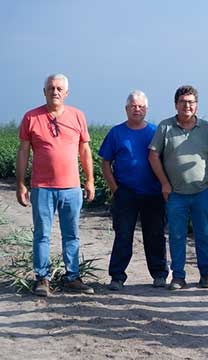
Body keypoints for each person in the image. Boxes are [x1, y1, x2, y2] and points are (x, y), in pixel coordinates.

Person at [16, 73, 95, 296]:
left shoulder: (77, 116)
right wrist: (20, 184)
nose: (55, 91)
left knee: (72, 234)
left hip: (71, 187)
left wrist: (89, 180)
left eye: (60, 88)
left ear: (66, 93)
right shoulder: (31, 117)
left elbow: (85, 150)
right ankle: (42, 279)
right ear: (44, 92)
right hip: (42, 187)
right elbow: (23, 151)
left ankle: (72, 277)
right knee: (42, 234)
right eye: (51, 88)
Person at [148, 85, 208, 290]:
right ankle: (178, 276)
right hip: (175, 193)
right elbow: (153, 155)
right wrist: (165, 183)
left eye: (191, 102)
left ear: (196, 105)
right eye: (183, 102)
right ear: (176, 104)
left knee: (203, 234)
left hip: (201, 191)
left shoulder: (206, 128)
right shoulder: (165, 127)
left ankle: (207, 275)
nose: (187, 106)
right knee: (177, 235)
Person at [98, 90, 169, 290]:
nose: (136, 109)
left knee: (155, 235)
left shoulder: (156, 132)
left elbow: (165, 160)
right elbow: (105, 162)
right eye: (132, 106)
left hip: (153, 193)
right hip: (125, 193)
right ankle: (117, 276)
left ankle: (159, 274)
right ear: (126, 109)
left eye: (140, 106)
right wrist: (115, 188)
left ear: (146, 109)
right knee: (123, 234)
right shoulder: (116, 133)